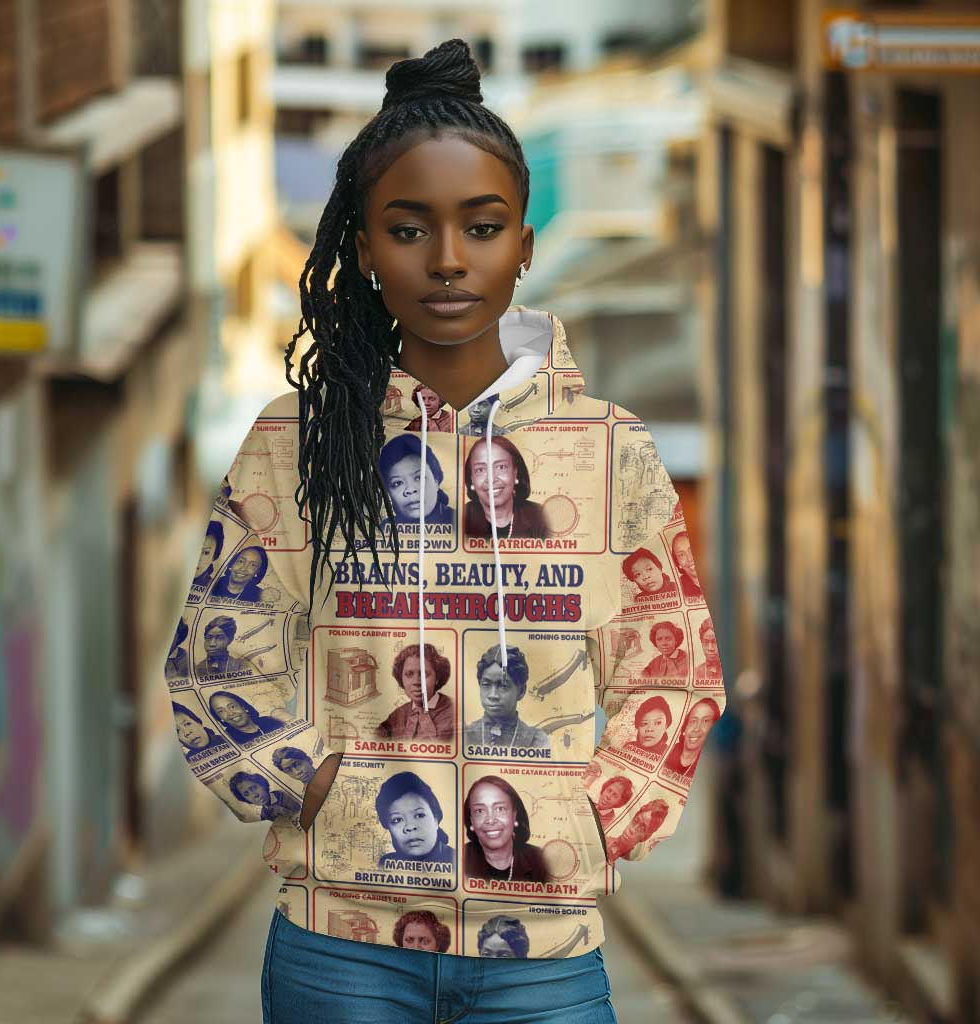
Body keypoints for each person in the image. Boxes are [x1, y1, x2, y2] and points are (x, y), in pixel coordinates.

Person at [163, 38, 726, 1022]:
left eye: (483, 225)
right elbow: (218, 663)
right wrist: (314, 785)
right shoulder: (295, 444)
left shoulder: (609, 451)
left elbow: (672, 673)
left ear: (525, 245)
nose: (451, 260)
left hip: (543, 957)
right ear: (366, 249)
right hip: (341, 948)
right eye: (409, 228)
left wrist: (592, 817)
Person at [462, 776, 549, 882]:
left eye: (500, 809)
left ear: (514, 815)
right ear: (471, 821)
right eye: (479, 811)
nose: (490, 820)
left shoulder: (541, 860)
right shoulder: (457, 859)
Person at [465, 644, 550, 749]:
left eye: (503, 686)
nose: (493, 695)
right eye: (486, 685)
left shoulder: (536, 740)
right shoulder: (464, 734)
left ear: (521, 691)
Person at [463, 434, 549, 538]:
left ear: (515, 472)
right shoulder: (459, 519)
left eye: (501, 467)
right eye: (480, 470)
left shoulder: (541, 517)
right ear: (471, 479)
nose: (491, 479)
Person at [376, 642, 455, 740]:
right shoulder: (397, 715)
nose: (416, 682)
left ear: (437, 677)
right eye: (409, 674)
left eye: (423, 674)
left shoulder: (454, 712)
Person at [374, 771, 455, 866]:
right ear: (388, 827)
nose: (410, 826)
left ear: (436, 820)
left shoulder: (461, 862)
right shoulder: (386, 864)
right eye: (397, 820)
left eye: (419, 815)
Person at [378, 434, 454, 525]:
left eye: (419, 478)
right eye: (397, 483)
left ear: (436, 480)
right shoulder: (382, 530)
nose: (410, 490)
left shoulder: (463, 523)